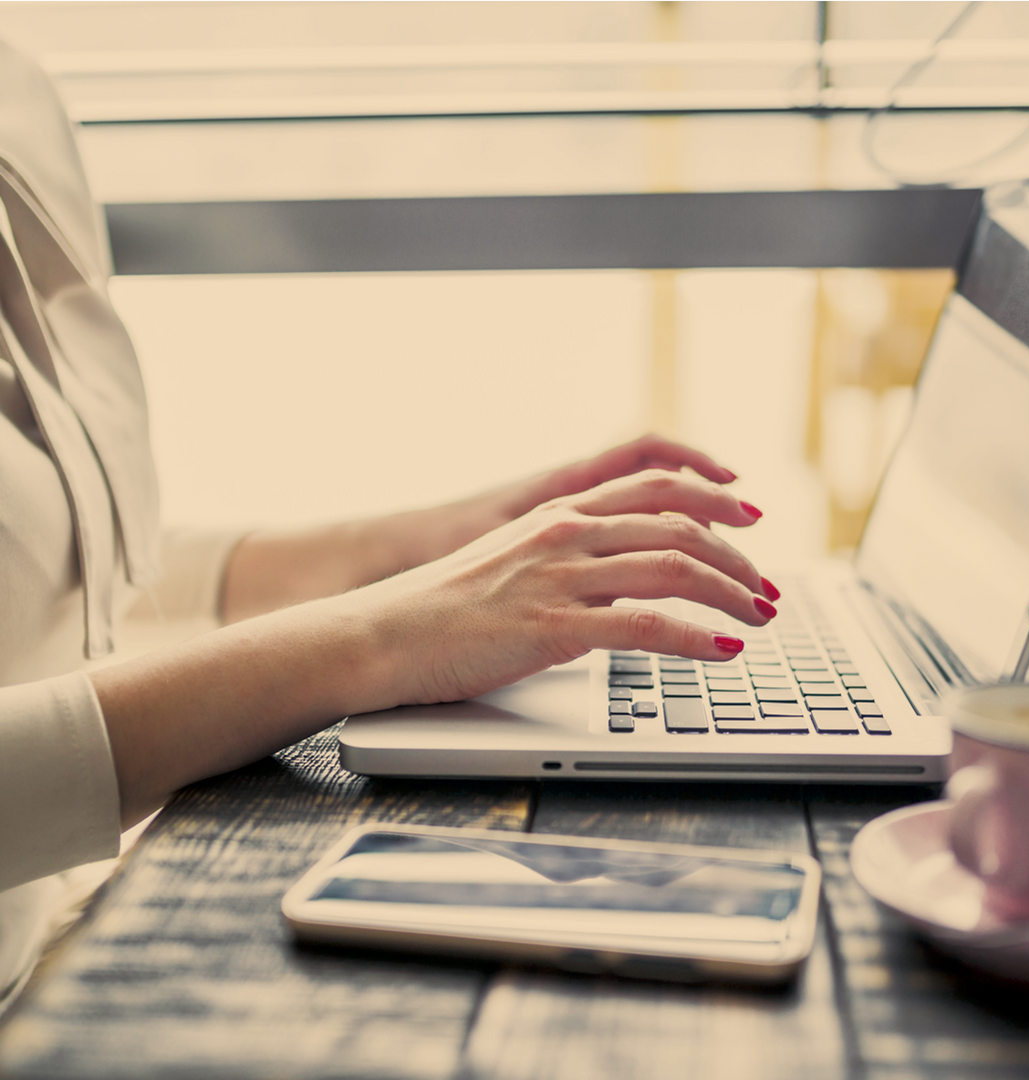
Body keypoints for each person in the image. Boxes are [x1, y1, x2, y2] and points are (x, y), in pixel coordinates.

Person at [0, 40, 779, 1007]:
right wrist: (369, 638)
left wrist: (400, 551)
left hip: (78, 918)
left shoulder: (18, 89)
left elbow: (53, 588)